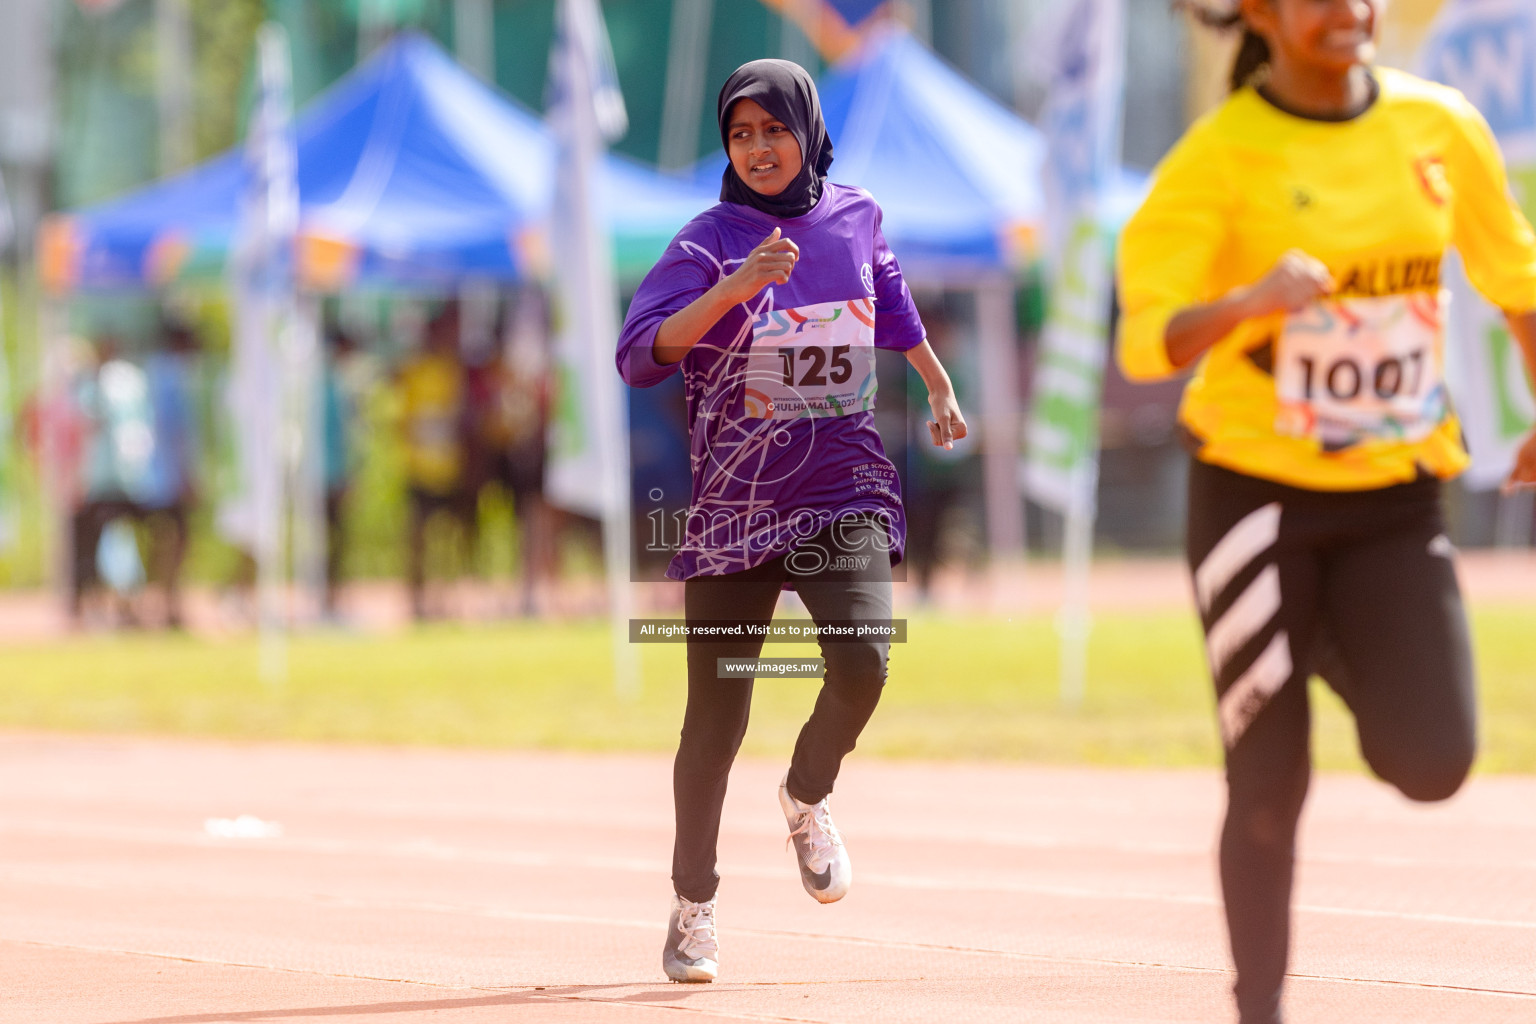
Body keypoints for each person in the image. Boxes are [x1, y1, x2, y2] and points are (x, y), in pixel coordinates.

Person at [1116, 3, 1536, 1022]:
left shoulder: (1440, 127)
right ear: (1256, 12)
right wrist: (1247, 303)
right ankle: (1257, 1007)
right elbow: (1145, 343)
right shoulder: (1217, 158)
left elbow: (1518, 280)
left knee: (1434, 761)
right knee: (1268, 784)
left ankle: (1327, 640)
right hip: (1256, 503)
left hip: (1396, 497)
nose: (1350, 9)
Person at [617, 59, 967, 984]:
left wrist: (935, 380)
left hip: (839, 484)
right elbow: (638, 356)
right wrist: (731, 291)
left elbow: (888, 299)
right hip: (736, 506)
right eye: (741, 134)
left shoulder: (855, 214)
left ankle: (806, 794)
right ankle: (694, 904)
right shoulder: (705, 241)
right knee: (715, 721)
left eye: (774, 131)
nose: (759, 149)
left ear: (808, 133)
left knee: (865, 658)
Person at [397, 303, 472, 621]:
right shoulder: (414, 370)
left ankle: (445, 600)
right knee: (419, 537)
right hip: (421, 467)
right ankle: (417, 601)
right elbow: (403, 419)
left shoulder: (455, 370)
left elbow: (461, 416)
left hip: (449, 467)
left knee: (450, 538)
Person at [141, 317, 202, 629]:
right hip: (166, 476)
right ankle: (166, 602)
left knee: (161, 539)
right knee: (175, 539)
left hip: (147, 474)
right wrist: (188, 475)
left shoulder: (150, 372)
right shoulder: (174, 376)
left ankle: (157, 602)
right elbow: (177, 432)